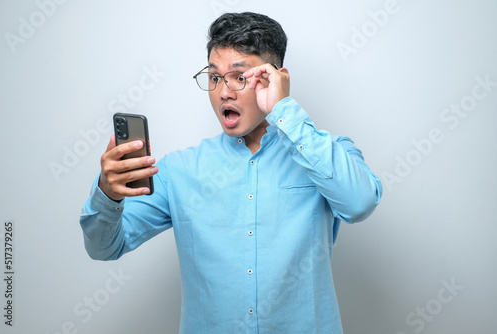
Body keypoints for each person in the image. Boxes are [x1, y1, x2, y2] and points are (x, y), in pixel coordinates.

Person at [80, 12, 382, 334]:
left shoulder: (326, 154)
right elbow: (104, 248)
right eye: (213, 77)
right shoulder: (178, 171)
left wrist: (284, 111)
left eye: (239, 77)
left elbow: (360, 202)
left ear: (275, 78)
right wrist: (108, 194)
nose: (224, 92)